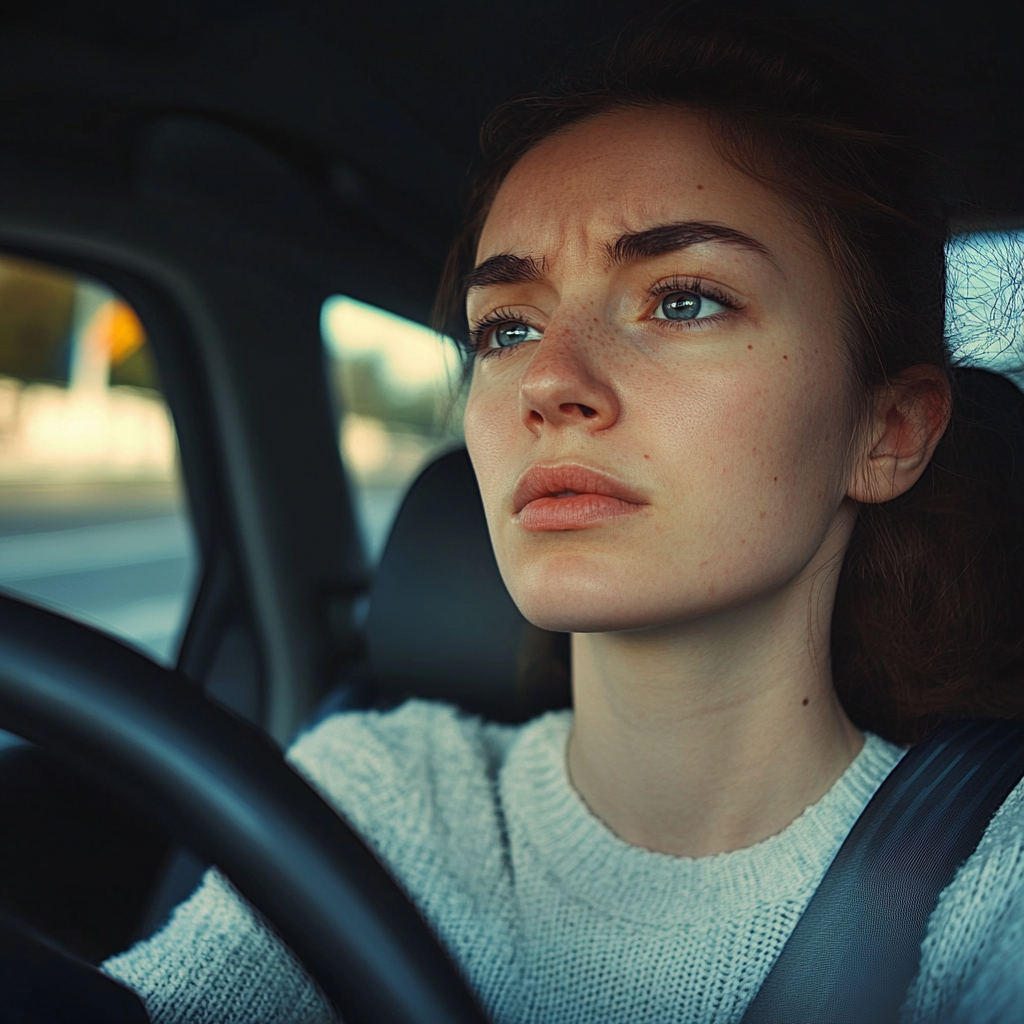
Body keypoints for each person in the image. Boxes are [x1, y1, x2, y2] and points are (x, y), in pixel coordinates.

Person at [103, 11, 1024, 1023]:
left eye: (681, 300)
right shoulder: (380, 793)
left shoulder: (990, 878)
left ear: (886, 431)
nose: (546, 380)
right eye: (506, 326)